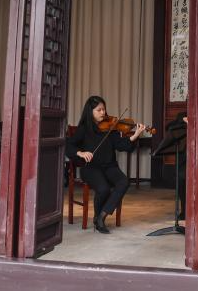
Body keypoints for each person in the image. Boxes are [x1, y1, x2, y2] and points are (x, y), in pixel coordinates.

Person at [65, 95, 147, 233]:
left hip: (110, 166)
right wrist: (80, 153)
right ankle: (99, 218)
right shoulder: (84, 128)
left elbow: (121, 145)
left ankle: (100, 217)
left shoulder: (111, 127)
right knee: (103, 189)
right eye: (99, 110)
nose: (103, 113)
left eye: (104, 109)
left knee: (123, 182)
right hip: (91, 168)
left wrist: (135, 135)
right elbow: (69, 145)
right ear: (90, 112)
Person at [164, 112, 188, 220]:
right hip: (183, 159)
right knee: (181, 180)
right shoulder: (182, 117)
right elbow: (168, 126)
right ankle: (184, 211)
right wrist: (183, 120)